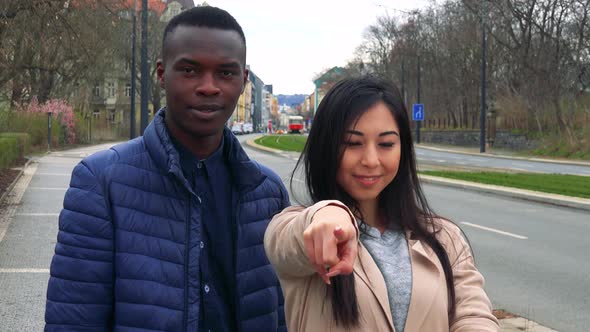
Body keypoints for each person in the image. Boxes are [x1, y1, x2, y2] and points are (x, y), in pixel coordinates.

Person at [45, 6, 289, 332]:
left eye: (226, 73)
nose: (209, 87)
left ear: (244, 81)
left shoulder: (268, 192)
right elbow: (73, 321)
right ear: (161, 74)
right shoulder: (100, 184)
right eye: (190, 70)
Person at [264, 76, 499, 331]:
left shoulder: (444, 238)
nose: (371, 160)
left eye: (386, 144)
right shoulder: (296, 227)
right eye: (353, 143)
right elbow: (289, 242)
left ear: (403, 148)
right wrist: (328, 214)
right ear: (326, 148)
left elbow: (473, 315)